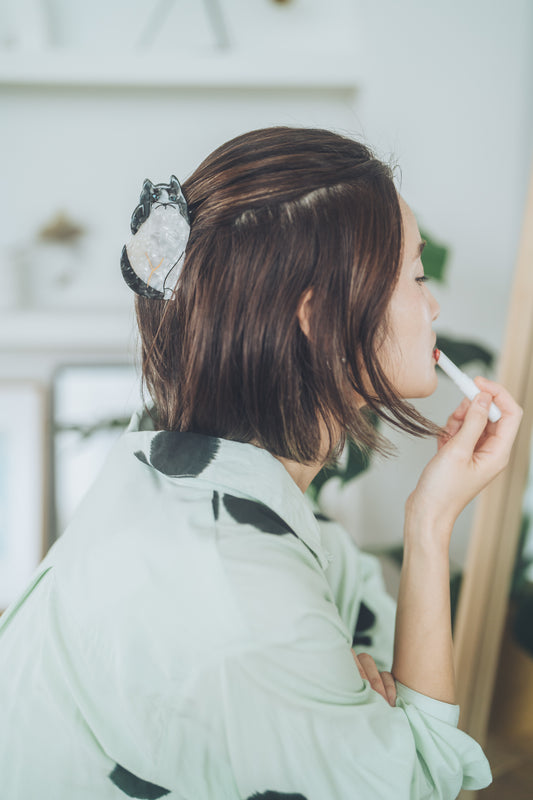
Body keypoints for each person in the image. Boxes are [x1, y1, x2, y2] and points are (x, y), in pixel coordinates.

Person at [0, 127, 522, 799]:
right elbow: (419, 782)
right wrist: (431, 526)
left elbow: (369, 623)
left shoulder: (180, 478)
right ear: (321, 318)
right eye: (415, 276)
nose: (433, 304)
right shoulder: (239, 592)